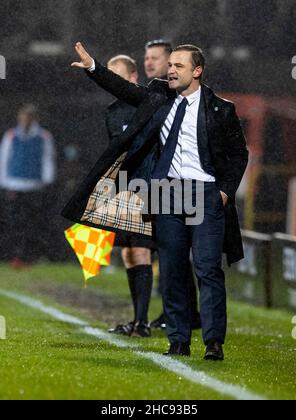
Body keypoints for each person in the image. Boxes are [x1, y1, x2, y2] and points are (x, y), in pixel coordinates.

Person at [62, 42, 248, 360]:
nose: (170, 70)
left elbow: (238, 156)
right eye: (170, 65)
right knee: (173, 270)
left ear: (197, 71)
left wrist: (225, 191)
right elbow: (124, 88)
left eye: (178, 66)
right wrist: (94, 67)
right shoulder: (159, 96)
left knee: (207, 270)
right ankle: (178, 340)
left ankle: (213, 340)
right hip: (165, 193)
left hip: (205, 195)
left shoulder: (221, 109)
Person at [144, 40, 201, 331]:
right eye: (147, 58)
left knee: (179, 253)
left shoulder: (188, 98)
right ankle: (178, 313)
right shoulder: (154, 95)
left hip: (186, 185)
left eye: (157, 58)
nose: (150, 63)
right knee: (164, 251)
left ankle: (185, 314)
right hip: (157, 182)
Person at [105, 55, 154, 338]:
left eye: (116, 76)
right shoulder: (111, 111)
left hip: (147, 188)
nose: (111, 82)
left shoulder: (145, 104)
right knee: (127, 253)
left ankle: (144, 322)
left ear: (133, 77)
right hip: (122, 188)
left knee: (142, 249)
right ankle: (137, 320)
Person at [0, 104, 56, 266]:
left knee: (33, 222)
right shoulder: (11, 136)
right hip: (15, 184)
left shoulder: (44, 136)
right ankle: (14, 255)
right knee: (15, 222)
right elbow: (4, 159)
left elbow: (47, 159)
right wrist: (5, 182)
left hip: (34, 185)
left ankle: (30, 256)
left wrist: (47, 180)